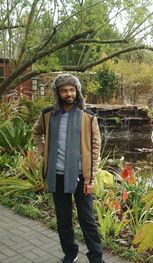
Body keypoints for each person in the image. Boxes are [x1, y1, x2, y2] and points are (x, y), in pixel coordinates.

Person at [32, 73, 104, 263]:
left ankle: (96, 257)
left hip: (81, 177)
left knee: (87, 220)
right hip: (57, 175)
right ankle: (70, 253)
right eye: (64, 90)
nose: (69, 93)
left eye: (72, 90)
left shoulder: (87, 117)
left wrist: (91, 179)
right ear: (58, 93)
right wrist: (43, 152)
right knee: (63, 220)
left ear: (77, 91)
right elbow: (36, 133)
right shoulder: (48, 114)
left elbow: (95, 149)